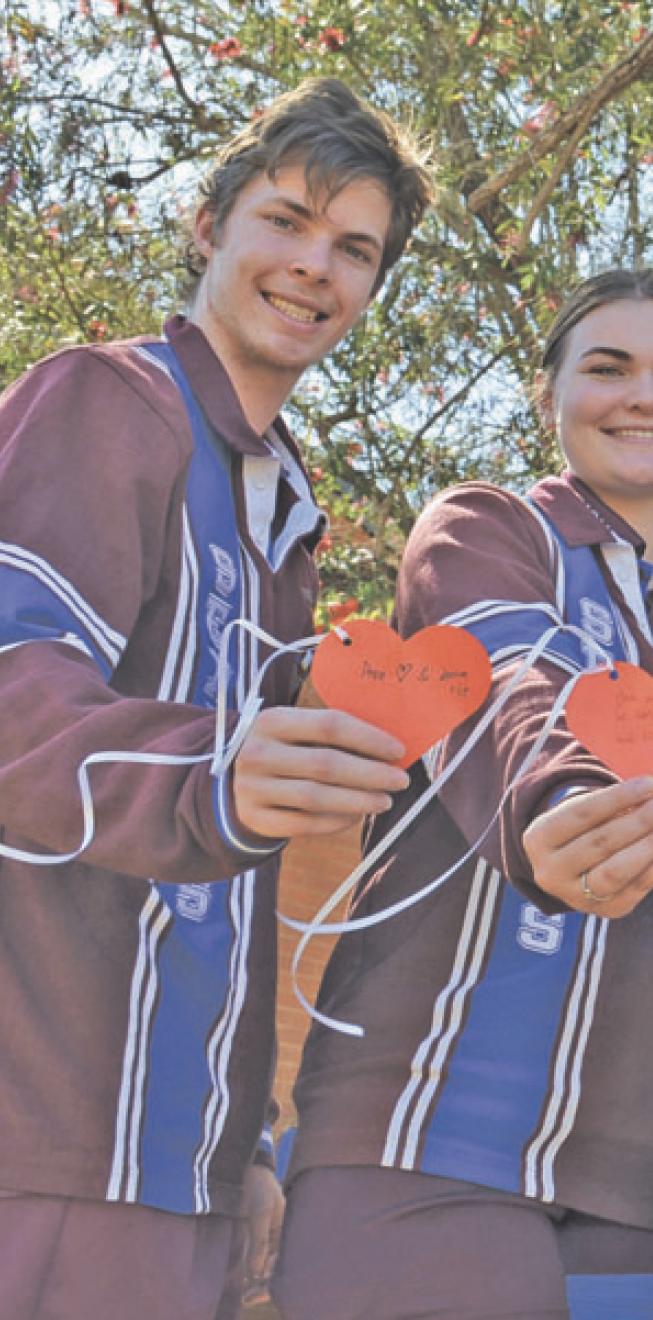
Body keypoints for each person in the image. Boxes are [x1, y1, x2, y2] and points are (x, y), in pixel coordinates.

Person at [0, 79, 431, 1320]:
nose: (315, 267)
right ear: (208, 224)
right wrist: (211, 774)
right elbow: (14, 695)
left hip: (178, 1178)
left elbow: (231, 900)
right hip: (43, 1147)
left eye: (355, 249)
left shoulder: (282, 524)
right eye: (286, 220)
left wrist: (240, 1146)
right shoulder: (107, 402)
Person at [273, 269, 653, 1320]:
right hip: (424, 1132)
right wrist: (559, 806)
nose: (646, 395)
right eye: (608, 367)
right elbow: (505, 671)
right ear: (547, 399)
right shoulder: (486, 530)